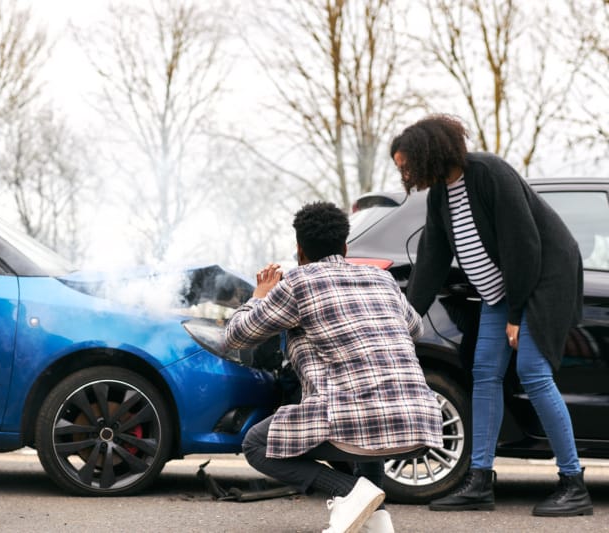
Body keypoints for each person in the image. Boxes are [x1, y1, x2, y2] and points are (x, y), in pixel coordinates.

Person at [390, 114, 592, 517]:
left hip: (541, 279)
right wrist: (406, 318)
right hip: (503, 290)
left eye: (407, 166)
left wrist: (517, 312)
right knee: (485, 372)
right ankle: (479, 481)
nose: (405, 174)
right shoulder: (440, 196)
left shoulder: (487, 173)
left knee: (534, 372)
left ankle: (574, 484)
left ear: (429, 154)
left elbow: (524, 245)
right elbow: (432, 258)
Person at [225, 202, 444, 533]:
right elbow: (416, 329)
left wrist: (259, 296)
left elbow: (237, 336)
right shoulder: (381, 279)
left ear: (299, 250)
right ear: (345, 246)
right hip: (418, 420)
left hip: (356, 418)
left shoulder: (298, 283)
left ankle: (352, 493)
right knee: (359, 414)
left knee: (256, 444)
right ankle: (376, 517)